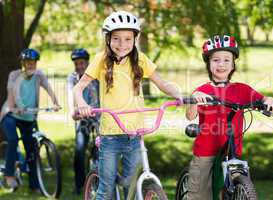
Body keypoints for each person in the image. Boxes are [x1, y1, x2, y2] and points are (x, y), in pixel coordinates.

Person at [73, 10, 182, 200]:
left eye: (127, 39)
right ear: (107, 39)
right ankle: (105, 175)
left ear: (135, 39)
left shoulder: (141, 60)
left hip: (136, 134)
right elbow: (78, 88)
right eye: (116, 38)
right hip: (110, 135)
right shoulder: (100, 60)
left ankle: (111, 174)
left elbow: (162, 83)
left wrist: (178, 95)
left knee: (129, 185)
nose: (122, 44)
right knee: (106, 190)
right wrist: (82, 104)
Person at [185, 34, 273, 200]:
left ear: (233, 64)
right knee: (199, 194)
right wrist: (194, 100)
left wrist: (270, 101)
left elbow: (263, 101)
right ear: (208, 63)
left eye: (226, 60)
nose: (221, 64)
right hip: (206, 152)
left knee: (238, 190)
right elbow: (190, 116)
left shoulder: (242, 90)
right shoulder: (202, 91)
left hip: (232, 151)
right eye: (216, 60)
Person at [0, 48, 60, 192]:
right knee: (13, 140)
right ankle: (9, 175)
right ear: (23, 63)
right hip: (10, 115)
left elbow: (48, 88)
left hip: (28, 117)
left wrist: (55, 102)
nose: (30, 65)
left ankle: (35, 185)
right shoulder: (14, 76)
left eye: (33, 62)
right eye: (27, 62)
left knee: (32, 150)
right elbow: (10, 99)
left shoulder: (39, 75)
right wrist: (17, 108)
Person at [67, 48, 100, 194]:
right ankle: (79, 184)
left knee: (103, 149)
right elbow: (70, 95)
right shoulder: (72, 78)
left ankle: (101, 183)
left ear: (87, 62)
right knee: (79, 150)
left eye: (82, 63)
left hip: (99, 117)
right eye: (77, 64)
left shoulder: (96, 76)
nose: (80, 66)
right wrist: (72, 111)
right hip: (82, 118)